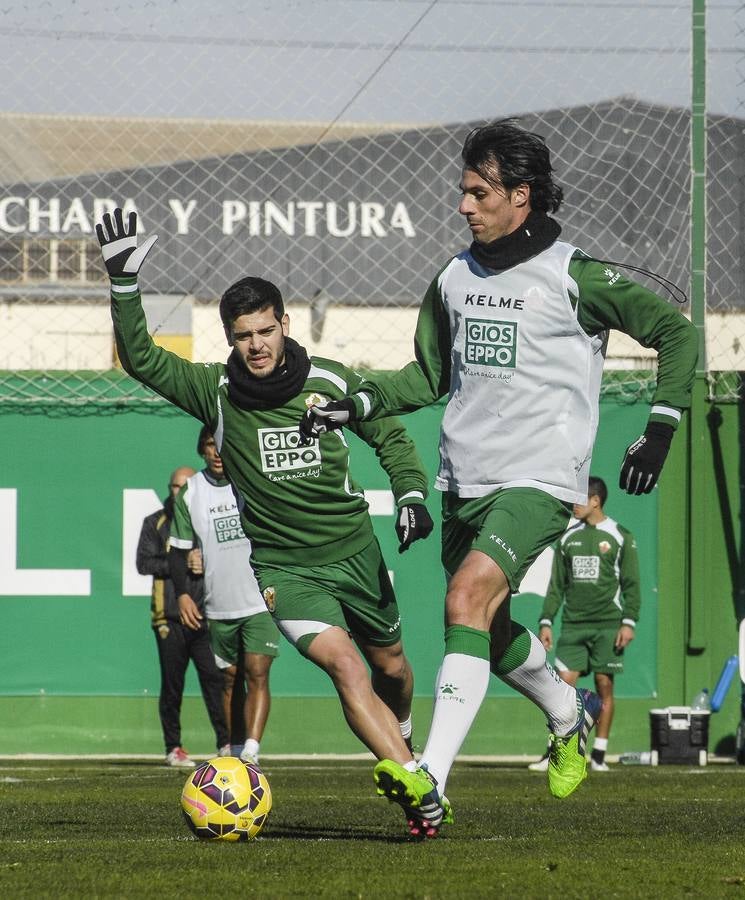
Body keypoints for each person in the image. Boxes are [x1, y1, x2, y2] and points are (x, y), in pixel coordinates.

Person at [299, 118, 698, 836]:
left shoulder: (576, 276)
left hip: (541, 477)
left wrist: (659, 428)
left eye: (478, 193)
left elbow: (676, 332)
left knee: (464, 597)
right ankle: (564, 714)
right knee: (495, 628)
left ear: (522, 195)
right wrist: (353, 404)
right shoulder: (453, 276)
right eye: (462, 192)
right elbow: (425, 375)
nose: (463, 206)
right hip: (466, 477)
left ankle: (430, 779)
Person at [97, 208, 444, 837]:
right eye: (241, 336)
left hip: (356, 553)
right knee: (347, 667)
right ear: (228, 338)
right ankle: (417, 783)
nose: (255, 345)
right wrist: (124, 286)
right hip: (286, 569)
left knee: (392, 666)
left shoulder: (331, 380)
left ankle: (406, 743)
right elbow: (144, 359)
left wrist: (413, 494)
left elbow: (390, 434)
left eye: (264, 331)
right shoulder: (216, 393)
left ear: (283, 325)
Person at [169, 425, 280, 766]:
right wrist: (184, 595)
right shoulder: (192, 491)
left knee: (257, 672)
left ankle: (251, 750)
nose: (217, 453)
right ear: (202, 450)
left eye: (220, 445)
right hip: (218, 604)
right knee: (228, 678)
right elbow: (178, 550)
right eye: (209, 446)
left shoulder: (252, 480)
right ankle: (232, 748)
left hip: (260, 599)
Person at [527, 475, 640, 773]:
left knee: (604, 687)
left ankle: (599, 756)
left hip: (607, 625)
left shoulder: (620, 536)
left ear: (595, 501)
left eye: (579, 499)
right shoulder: (567, 538)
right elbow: (556, 587)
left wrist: (628, 622)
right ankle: (554, 753)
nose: (573, 505)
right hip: (574, 626)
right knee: (562, 688)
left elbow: (631, 584)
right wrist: (546, 621)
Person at [135, 465, 229, 768]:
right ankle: (173, 747)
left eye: (186, 486)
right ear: (169, 488)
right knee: (172, 684)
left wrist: (207, 564)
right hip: (170, 616)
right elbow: (144, 563)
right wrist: (182, 562)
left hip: (204, 615)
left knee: (215, 681)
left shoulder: (205, 517)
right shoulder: (155, 522)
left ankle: (226, 744)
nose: (180, 492)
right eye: (176, 486)